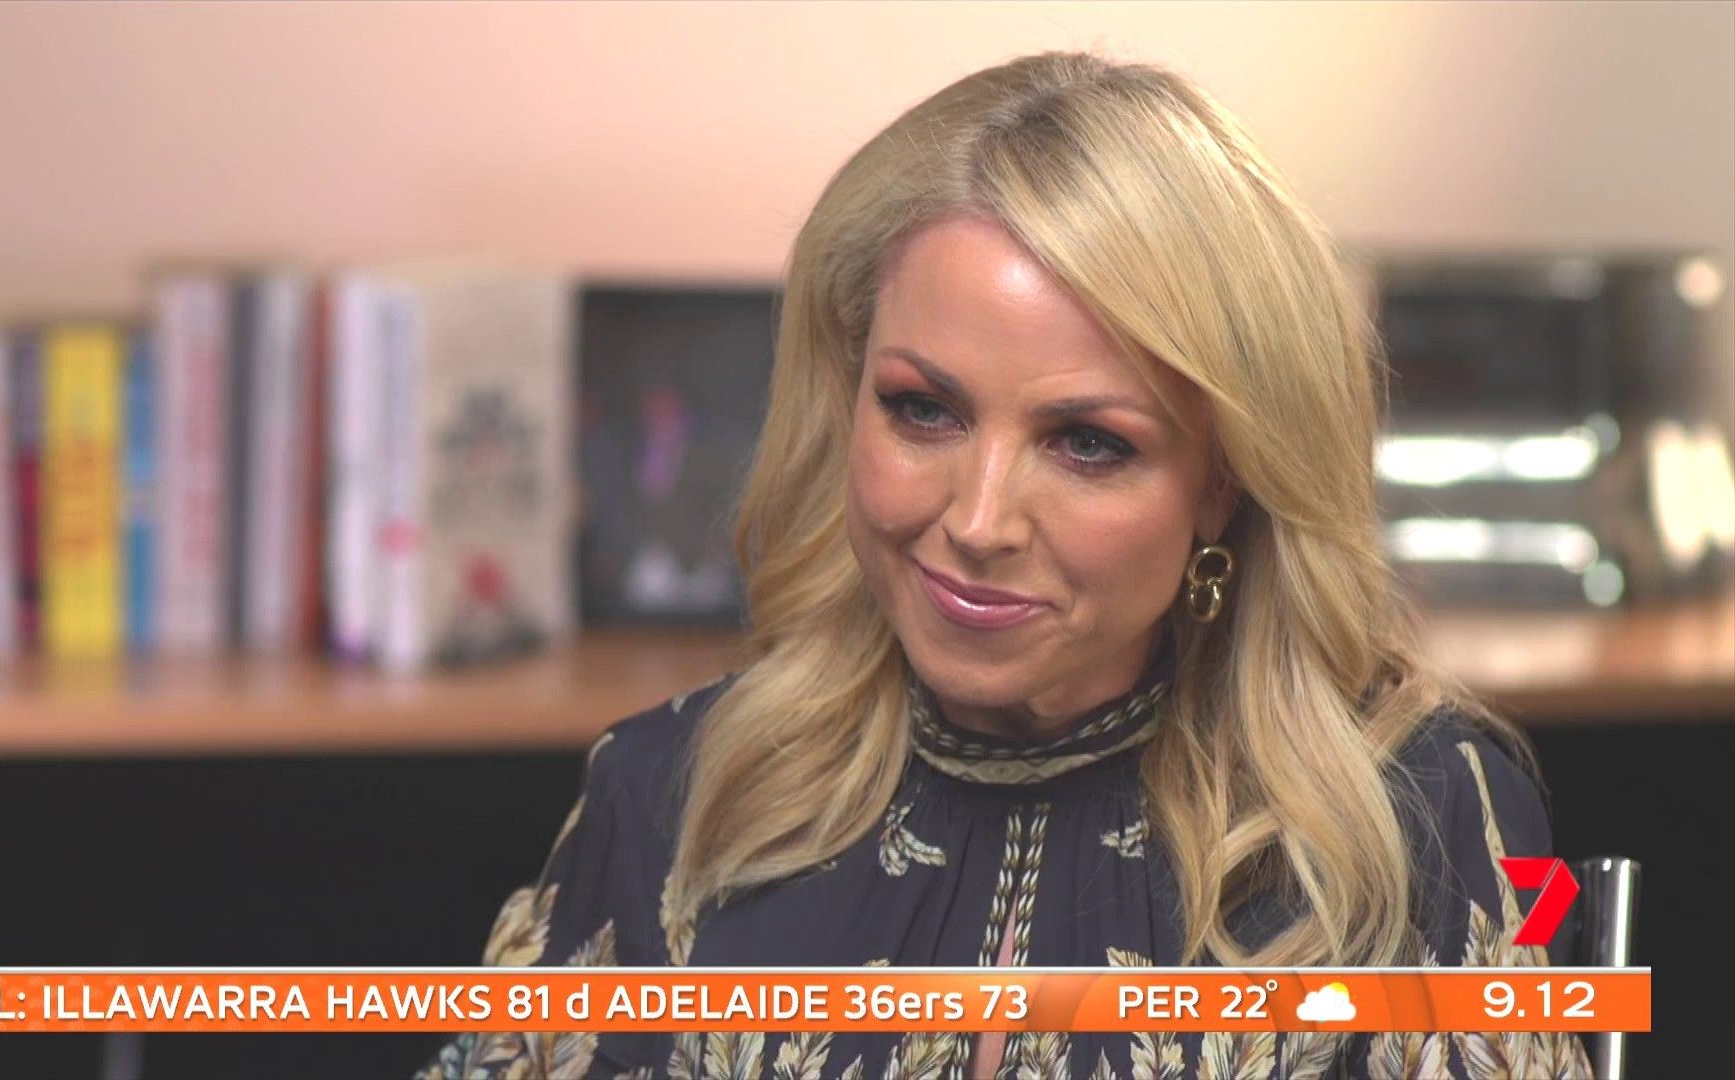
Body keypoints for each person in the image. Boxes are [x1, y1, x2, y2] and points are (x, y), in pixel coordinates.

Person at [417, 51, 1595, 1080]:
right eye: (923, 410)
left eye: (1087, 443)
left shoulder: (1414, 820)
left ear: (1224, 481)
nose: (979, 521)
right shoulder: (670, 794)